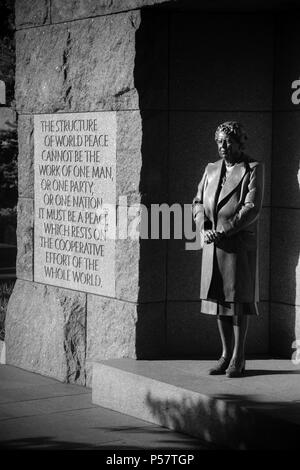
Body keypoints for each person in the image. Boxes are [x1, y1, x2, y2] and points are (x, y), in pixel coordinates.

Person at [192, 121, 264, 378]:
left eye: (228, 142)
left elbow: (251, 208)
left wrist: (225, 230)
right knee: (219, 301)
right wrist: (204, 227)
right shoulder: (211, 169)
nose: (223, 146)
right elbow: (198, 202)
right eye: (219, 142)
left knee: (238, 302)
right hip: (213, 244)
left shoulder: (252, 169)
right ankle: (225, 354)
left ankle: (238, 357)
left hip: (236, 244)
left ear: (239, 142)